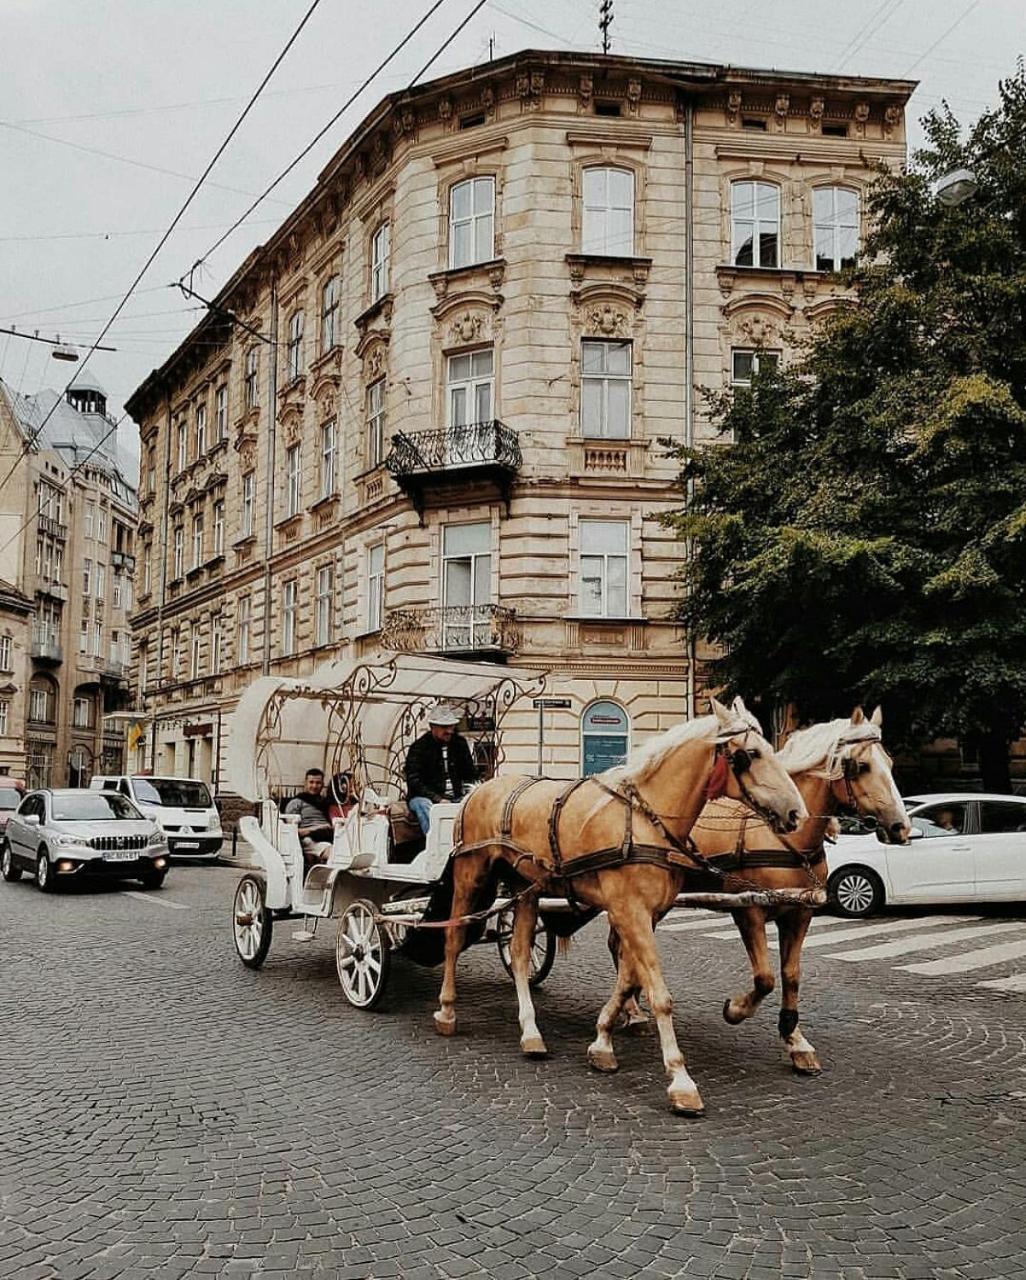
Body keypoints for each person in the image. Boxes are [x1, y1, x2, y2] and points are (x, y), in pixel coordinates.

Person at [405, 705, 478, 836]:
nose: (449, 731)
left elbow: (469, 773)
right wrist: (438, 799)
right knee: (426, 806)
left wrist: (471, 792)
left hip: (455, 796)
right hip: (425, 797)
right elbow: (414, 781)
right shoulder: (419, 747)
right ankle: (436, 841)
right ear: (432, 726)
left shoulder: (459, 744)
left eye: (452, 726)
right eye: (445, 727)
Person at [284, 767, 334, 865]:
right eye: (311, 782)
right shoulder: (296, 802)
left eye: (318, 783)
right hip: (308, 839)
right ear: (305, 783)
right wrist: (317, 828)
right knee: (335, 854)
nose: (314, 786)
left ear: (322, 785)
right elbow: (292, 832)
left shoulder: (325, 803)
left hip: (328, 835)